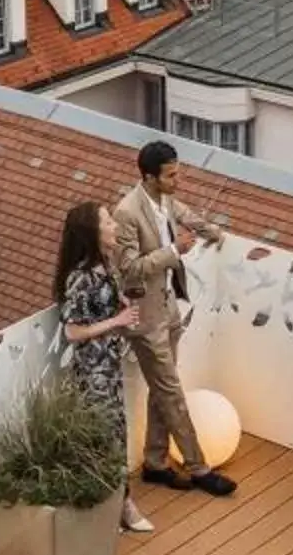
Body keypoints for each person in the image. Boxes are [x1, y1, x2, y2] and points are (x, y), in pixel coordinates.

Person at [113, 141, 234, 496]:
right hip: (146, 317)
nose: (177, 180)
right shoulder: (127, 212)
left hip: (169, 308)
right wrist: (172, 252)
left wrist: (213, 232)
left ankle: (155, 462)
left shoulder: (163, 198)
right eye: (171, 175)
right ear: (149, 177)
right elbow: (130, 269)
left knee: (161, 392)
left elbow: (185, 214)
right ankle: (198, 467)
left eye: (178, 172)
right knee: (171, 392)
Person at [54, 202, 153, 533]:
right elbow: (72, 331)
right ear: (92, 233)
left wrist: (120, 304)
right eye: (107, 221)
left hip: (109, 370)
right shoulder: (79, 278)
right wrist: (117, 320)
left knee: (117, 434)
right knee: (103, 440)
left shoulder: (105, 269)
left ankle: (120, 503)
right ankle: (114, 508)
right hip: (93, 374)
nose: (114, 225)